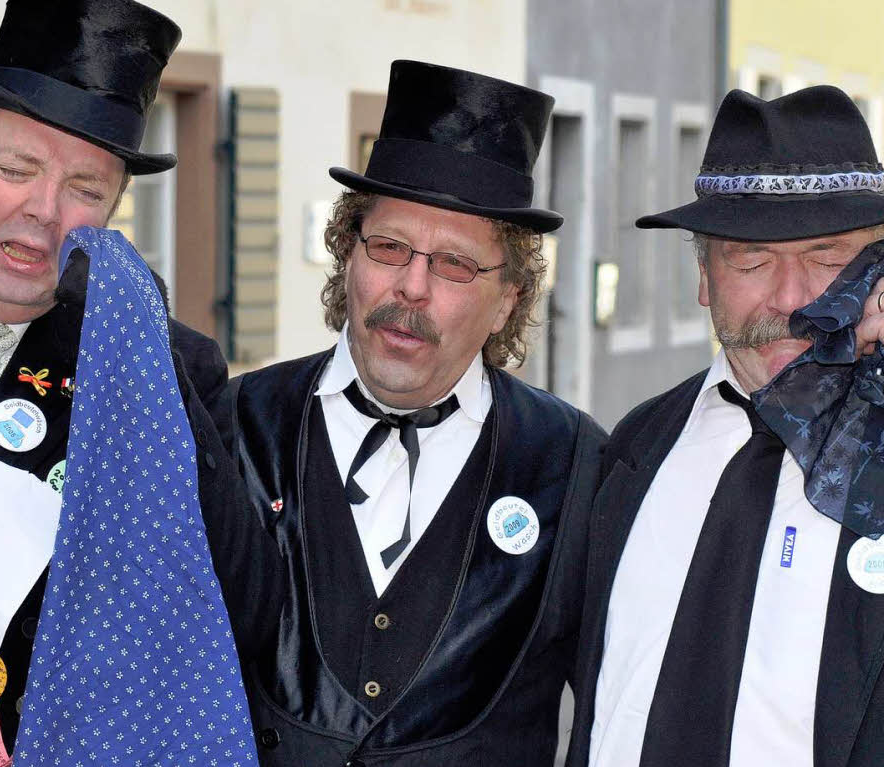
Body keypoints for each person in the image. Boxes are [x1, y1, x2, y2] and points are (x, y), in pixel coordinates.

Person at [0, 1, 278, 764]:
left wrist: (147, 364)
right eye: (17, 169)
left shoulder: (165, 371)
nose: (44, 211)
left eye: (85, 187)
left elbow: (243, 618)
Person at [215, 59, 607, 765]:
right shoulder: (236, 422)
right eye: (390, 247)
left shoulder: (576, 463)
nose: (412, 286)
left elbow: (616, 714)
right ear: (348, 254)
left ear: (508, 300)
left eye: (455, 264)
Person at [566, 86, 884, 767]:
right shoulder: (631, 451)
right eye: (752, 259)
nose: (794, 297)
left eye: (829, 259)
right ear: (703, 274)